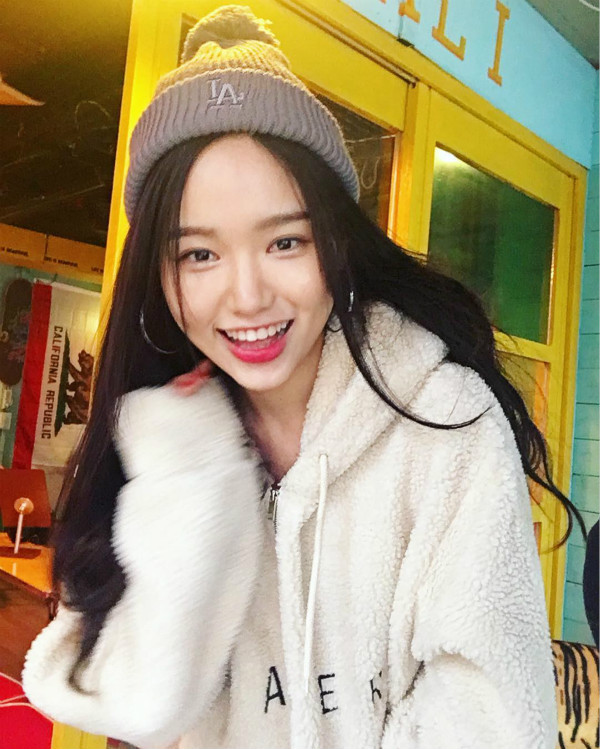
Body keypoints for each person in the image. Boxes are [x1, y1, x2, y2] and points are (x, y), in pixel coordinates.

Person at [22, 5, 584, 749]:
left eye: (284, 241)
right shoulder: (168, 447)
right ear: (158, 273)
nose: (247, 296)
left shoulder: (447, 422)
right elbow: (140, 704)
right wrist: (194, 484)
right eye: (199, 255)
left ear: (336, 239)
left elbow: (493, 723)